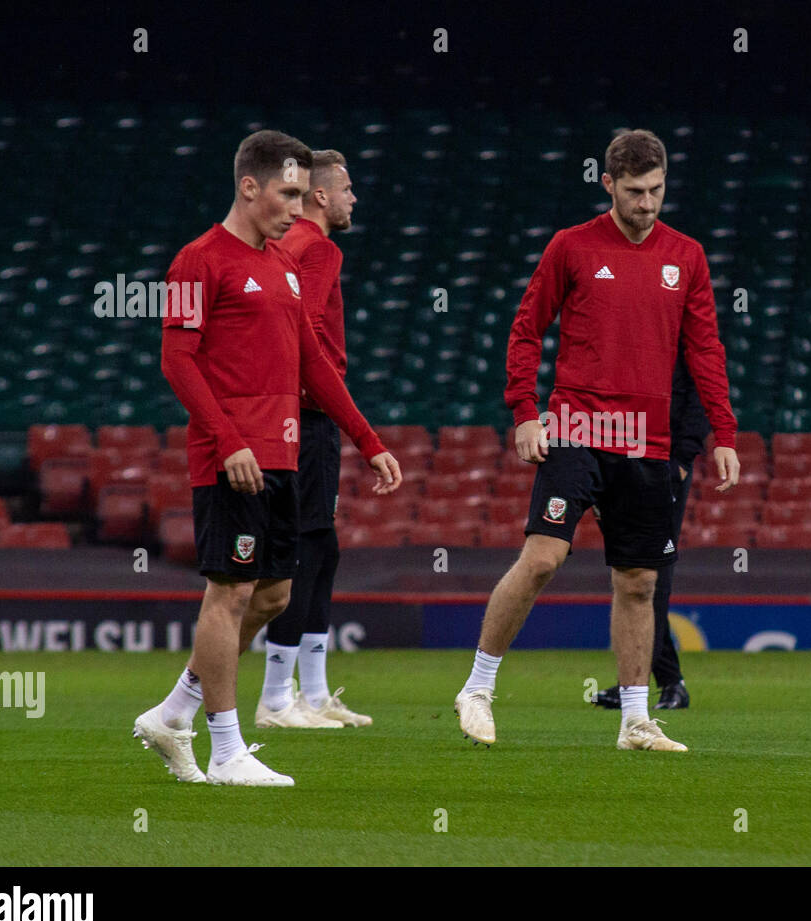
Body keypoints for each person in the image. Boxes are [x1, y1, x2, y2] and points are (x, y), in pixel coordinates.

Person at [453, 129, 740, 752]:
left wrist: (724, 430)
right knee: (543, 559)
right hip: (577, 429)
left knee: (638, 583)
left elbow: (705, 347)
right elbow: (526, 330)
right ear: (608, 184)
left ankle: (636, 720)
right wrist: (525, 413)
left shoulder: (686, 255)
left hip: (648, 441)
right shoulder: (572, 247)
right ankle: (477, 687)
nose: (647, 203)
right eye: (635, 192)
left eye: (657, 190)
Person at [133, 131, 402, 786]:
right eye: (286, 192)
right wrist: (228, 442)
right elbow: (176, 360)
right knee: (227, 595)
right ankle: (226, 750)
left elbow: (313, 361)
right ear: (248, 186)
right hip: (232, 458)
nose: (296, 204)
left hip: (283, 452)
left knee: (276, 594)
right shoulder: (196, 260)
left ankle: (174, 711)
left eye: (302, 192)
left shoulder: (284, 263)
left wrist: (369, 440)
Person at [254, 149, 371, 730]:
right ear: (321, 197)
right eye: (347, 189)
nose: (354, 198)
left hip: (294, 416)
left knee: (320, 548)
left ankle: (315, 692)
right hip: (311, 417)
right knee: (306, 550)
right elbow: (312, 338)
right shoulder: (319, 247)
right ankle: (278, 698)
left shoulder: (285, 246)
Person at [591, 342, 708, 711]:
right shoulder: (624, 332)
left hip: (664, 462)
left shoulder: (682, 336)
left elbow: (702, 388)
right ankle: (661, 683)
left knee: (652, 575)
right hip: (621, 454)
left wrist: (683, 457)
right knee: (635, 572)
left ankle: (645, 685)